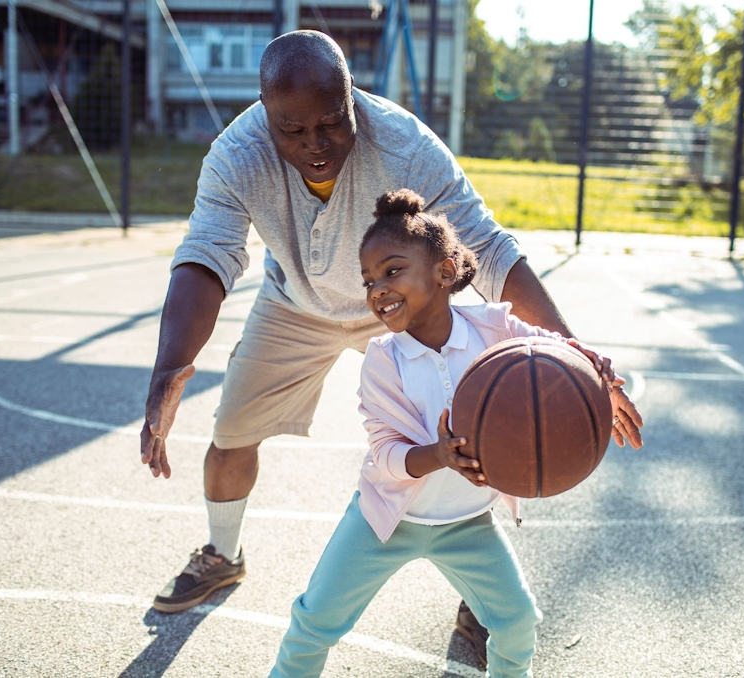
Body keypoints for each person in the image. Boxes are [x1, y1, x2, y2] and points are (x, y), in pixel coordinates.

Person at [139, 29, 644, 656]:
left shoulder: (403, 142)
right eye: (292, 131)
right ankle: (223, 553)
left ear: (354, 98)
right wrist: (168, 368)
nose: (315, 144)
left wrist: (574, 352)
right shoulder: (236, 153)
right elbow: (207, 256)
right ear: (266, 115)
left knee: (499, 421)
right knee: (231, 433)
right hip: (295, 303)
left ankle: (481, 593)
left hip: (402, 303)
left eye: (332, 123)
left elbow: (485, 247)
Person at [270, 189, 626, 676]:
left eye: (392, 271)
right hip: (389, 521)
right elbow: (385, 454)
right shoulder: (383, 360)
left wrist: (588, 362)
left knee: (518, 621)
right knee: (315, 622)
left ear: (444, 272)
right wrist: (438, 454)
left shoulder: (495, 329)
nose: (377, 288)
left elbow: (553, 350)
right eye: (369, 279)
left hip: (467, 523)